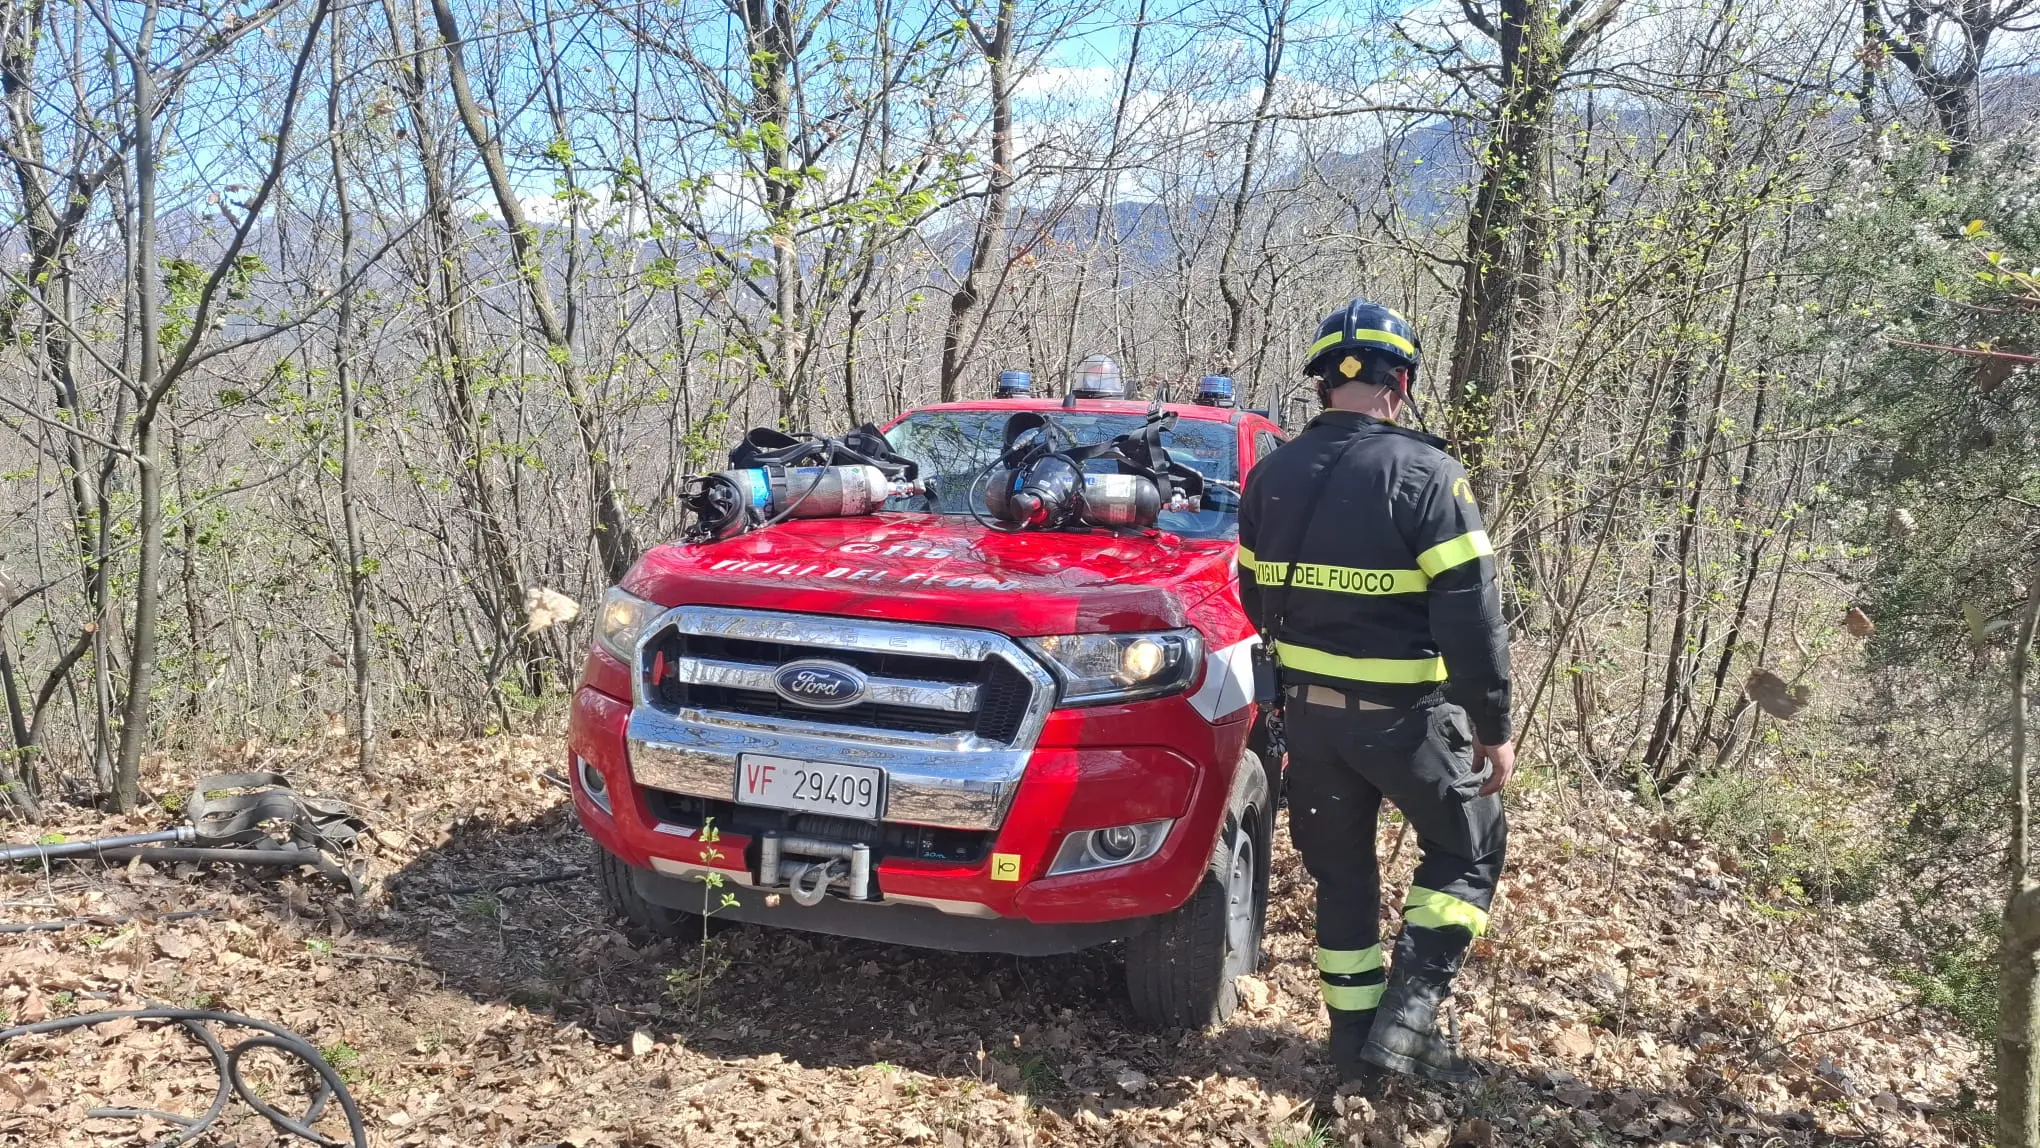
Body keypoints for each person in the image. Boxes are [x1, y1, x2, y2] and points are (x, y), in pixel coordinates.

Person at [1237, 298, 1513, 1086]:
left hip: (1314, 726)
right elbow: (1473, 619)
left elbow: (1255, 600)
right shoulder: (1430, 475)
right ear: (1403, 383)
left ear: (1323, 384)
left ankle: (1353, 1050)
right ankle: (1409, 1020)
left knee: (1344, 880)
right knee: (1468, 850)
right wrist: (1493, 727)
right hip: (1410, 726)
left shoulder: (1270, 474)